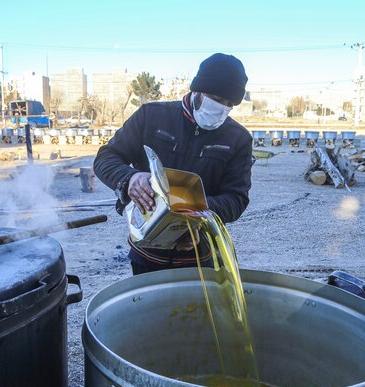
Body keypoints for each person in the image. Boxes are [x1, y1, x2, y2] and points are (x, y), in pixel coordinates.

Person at [93, 53, 252, 275]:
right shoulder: (152, 116)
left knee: (195, 309)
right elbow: (105, 158)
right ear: (196, 89)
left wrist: (196, 217)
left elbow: (237, 199)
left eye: (229, 104)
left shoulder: (238, 138)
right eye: (215, 98)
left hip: (200, 254)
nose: (221, 108)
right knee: (150, 308)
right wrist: (129, 178)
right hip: (146, 250)